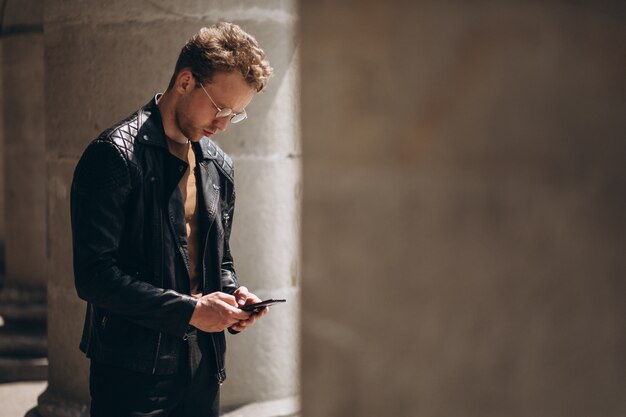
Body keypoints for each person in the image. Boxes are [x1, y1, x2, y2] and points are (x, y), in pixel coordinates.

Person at [70, 22, 273, 417]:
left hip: (203, 366)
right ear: (185, 81)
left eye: (237, 114)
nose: (224, 125)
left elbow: (218, 259)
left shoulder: (217, 164)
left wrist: (234, 296)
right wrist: (192, 310)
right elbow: (94, 276)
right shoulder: (113, 156)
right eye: (220, 108)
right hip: (131, 371)